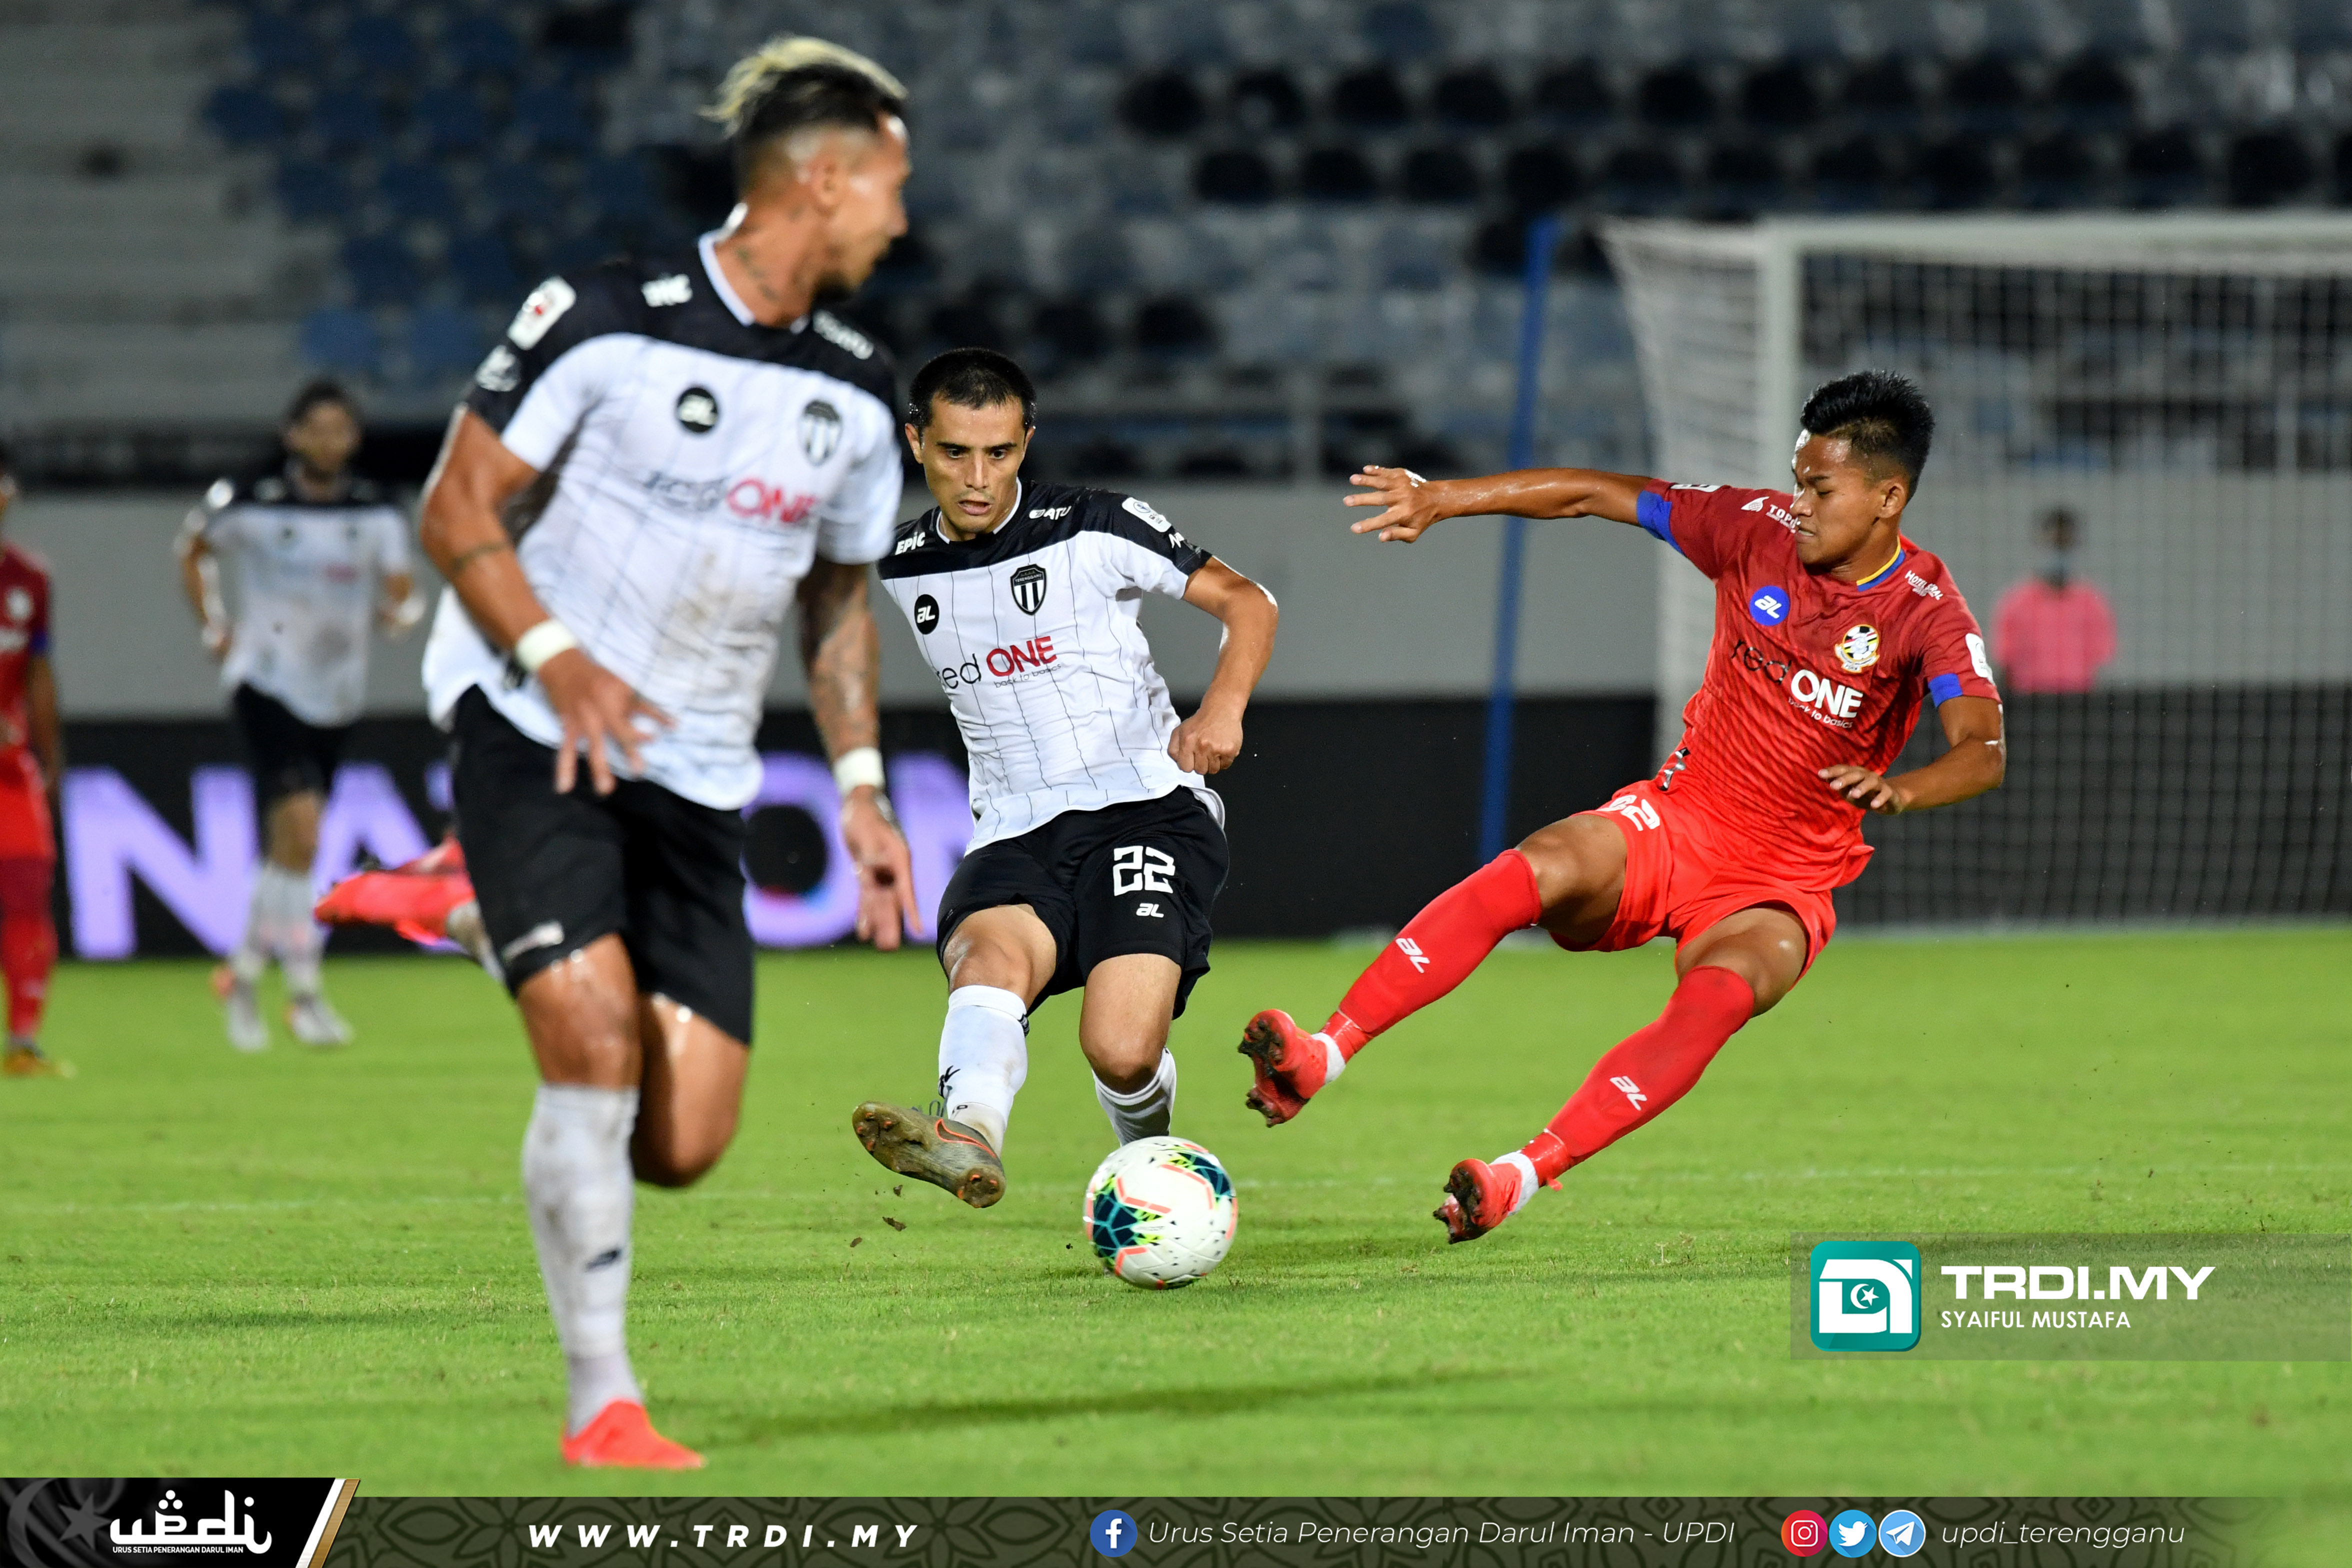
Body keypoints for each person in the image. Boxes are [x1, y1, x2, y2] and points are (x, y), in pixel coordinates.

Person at [408, 37, 918, 1469]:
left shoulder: (860, 391)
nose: (902, 217)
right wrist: (556, 658)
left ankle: (466, 911)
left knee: (683, 1140)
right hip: (535, 722)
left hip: (697, 769)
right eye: (890, 185)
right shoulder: (606, 317)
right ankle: (601, 1406)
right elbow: (458, 512)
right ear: (823, 179)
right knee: (589, 1050)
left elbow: (835, 605)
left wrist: (866, 789)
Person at [1239, 370, 2006, 1243]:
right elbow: (1595, 494)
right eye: (1795, 481)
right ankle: (1320, 1053)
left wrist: (1900, 789)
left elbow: (1980, 748)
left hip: (1781, 885)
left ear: (1886, 497)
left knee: (1715, 1001)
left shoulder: (1924, 610)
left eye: (1818, 488)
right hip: (1676, 823)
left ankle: (1517, 1176)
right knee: (1534, 867)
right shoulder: (1749, 529)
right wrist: (1443, 498)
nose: (1796, 503)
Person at [848, 348, 1277, 1204]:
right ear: (914, 444)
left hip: (1144, 807)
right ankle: (966, 1132)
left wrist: (1221, 708)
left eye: (999, 453)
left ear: (1026, 442)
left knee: (1120, 1050)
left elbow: (1247, 600)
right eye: (954, 453)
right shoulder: (897, 562)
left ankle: (1149, 1164)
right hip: (1012, 826)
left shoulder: (1092, 525)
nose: (977, 478)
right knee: (985, 960)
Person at [178, 380, 420, 1052]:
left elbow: (402, 591)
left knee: (289, 851)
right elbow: (193, 549)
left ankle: (245, 974)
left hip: (336, 691)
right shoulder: (252, 499)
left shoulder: (376, 511)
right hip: (265, 681)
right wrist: (215, 622)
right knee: (306, 836)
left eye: (340, 429)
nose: (328, 441)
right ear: (292, 435)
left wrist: (399, 612)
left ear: (354, 438)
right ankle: (306, 996)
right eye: (315, 428)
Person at [0, 442, 66, 1080]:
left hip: (9, 769)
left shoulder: (29, 580)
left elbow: (39, 676)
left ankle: (22, 1042)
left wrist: (52, 758)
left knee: (27, 895)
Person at [1992, 506, 2116, 693]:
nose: (2058, 552)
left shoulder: (2092, 603)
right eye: (2053, 545)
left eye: (2064, 545)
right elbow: (2005, 665)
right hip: (2031, 706)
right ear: (2040, 545)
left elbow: (2100, 667)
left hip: (2079, 705)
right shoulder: (2016, 602)